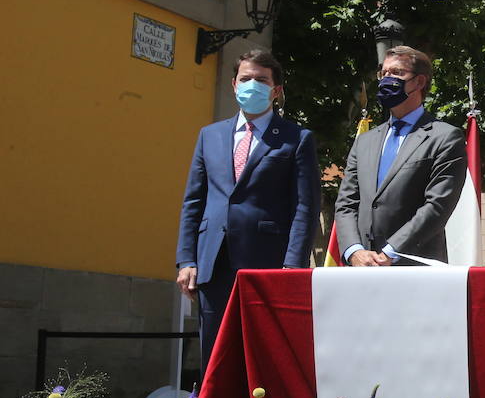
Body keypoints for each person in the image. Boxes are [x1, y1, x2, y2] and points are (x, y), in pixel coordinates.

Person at [176, 50, 320, 369]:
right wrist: (187, 259)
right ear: (233, 84)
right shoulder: (209, 135)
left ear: (276, 90)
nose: (252, 85)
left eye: (261, 80)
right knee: (215, 358)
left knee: (262, 356)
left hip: (267, 264)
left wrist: (292, 267)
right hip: (213, 261)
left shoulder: (297, 139)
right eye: (245, 79)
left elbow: (305, 207)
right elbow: (194, 200)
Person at [335, 46, 466, 265]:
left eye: (397, 73)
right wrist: (353, 250)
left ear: (419, 82)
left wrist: (392, 252)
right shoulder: (365, 141)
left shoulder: (445, 137)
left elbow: (437, 205)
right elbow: (346, 203)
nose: (387, 79)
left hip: (415, 267)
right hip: (362, 269)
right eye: (384, 73)